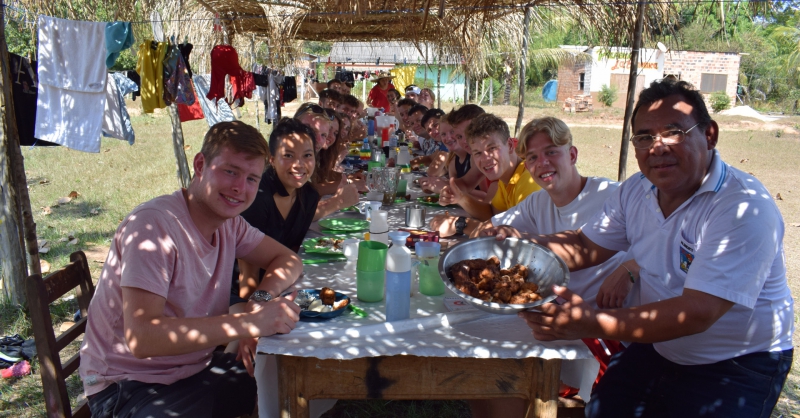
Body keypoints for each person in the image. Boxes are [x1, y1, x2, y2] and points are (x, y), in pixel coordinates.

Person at [512, 79, 793, 417]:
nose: (657, 147)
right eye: (644, 137)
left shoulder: (742, 207)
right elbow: (585, 245)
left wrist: (591, 321)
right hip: (658, 344)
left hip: (735, 362)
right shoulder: (637, 190)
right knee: (602, 411)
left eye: (674, 132)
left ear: (710, 135)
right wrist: (516, 252)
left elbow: (698, 310)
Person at [80, 121, 304, 418]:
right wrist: (249, 325)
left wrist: (257, 304)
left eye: (252, 178)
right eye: (230, 171)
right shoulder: (154, 227)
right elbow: (142, 338)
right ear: (200, 164)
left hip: (194, 369)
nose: (240, 188)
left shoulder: (229, 224)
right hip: (128, 385)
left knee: (283, 383)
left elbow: (289, 261)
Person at [473, 116, 636, 418]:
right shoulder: (537, 203)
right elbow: (489, 229)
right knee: (487, 365)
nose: (542, 163)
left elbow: (657, 236)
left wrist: (630, 268)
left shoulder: (610, 195)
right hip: (552, 317)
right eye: (532, 157)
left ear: (572, 155)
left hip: (601, 326)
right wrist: (489, 232)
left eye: (551, 152)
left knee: (507, 378)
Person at [229, 118, 320, 318]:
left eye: (307, 155)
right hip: (239, 294)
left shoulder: (309, 196)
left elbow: (292, 249)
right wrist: (250, 320)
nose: (299, 165)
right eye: (288, 155)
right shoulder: (258, 198)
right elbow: (247, 277)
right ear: (271, 159)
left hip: (281, 284)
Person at [430, 113, 541, 237]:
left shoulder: (528, 179)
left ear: (510, 145)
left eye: (492, 148)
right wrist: (461, 198)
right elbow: (492, 213)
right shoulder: (506, 177)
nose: (485, 159)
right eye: (477, 153)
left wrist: (459, 224)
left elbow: (511, 236)